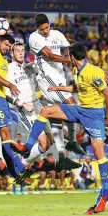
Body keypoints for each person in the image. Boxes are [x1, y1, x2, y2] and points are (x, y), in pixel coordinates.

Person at [11, 43, 108, 214]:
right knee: (45, 111)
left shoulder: (93, 72)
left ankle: (106, 194)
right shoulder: (77, 71)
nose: (67, 59)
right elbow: (78, 88)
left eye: (68, 56)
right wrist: (58, 88)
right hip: (80, 109)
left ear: (73, 57)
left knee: (99, 155)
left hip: (95, 115)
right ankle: (27, 147)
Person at [29, 13, 86, 167]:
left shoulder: (57, 34)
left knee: (57, 116)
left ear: (49, 24)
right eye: (42, 29)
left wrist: (72, 57)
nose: (45, 31)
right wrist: (70, 60)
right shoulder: (34, 38)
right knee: (73, 105)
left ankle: (62, 156)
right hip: (47, 78)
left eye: (47, 28)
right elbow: (50, 55)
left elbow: (69, 49)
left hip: (60, 77)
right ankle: (72, 142)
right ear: (37, 28)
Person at [0, 34, 31, 184]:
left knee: (6, 138)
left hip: (1, 99)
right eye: (6, 45)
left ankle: (15, 174)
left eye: (9, 46)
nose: (7, 48)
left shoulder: (3, 60)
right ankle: (21, 169)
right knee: (6, 135)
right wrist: (10, 85)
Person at [6, 42, 52, 166]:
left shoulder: (27, 67)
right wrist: (22, 104)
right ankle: (21, 165)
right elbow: (5, 93)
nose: (21, 53)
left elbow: (35, 85)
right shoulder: (9, 69)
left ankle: (23, 161)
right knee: (43, 143)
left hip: (38, 106)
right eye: (17, 51)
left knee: (49, 143)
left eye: (22, 50)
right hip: (26, 110)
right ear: (12, 53)